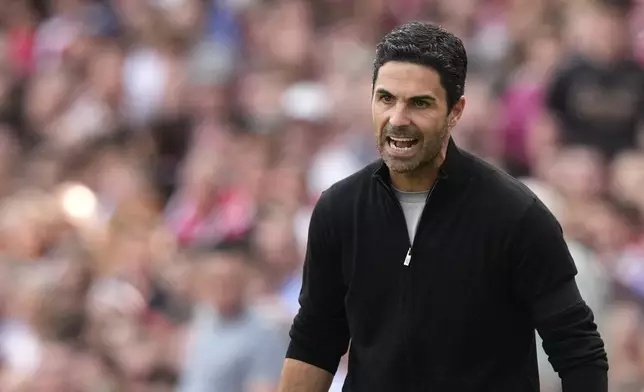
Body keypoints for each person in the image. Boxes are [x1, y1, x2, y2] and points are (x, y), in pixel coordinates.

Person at [277, 21, 608, 392]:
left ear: (456, 111)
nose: (398, 119)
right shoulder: (338, 210)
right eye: (386, 98)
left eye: (419, 103)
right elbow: (314, 342)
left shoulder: (516, 215)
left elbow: (578, 351)